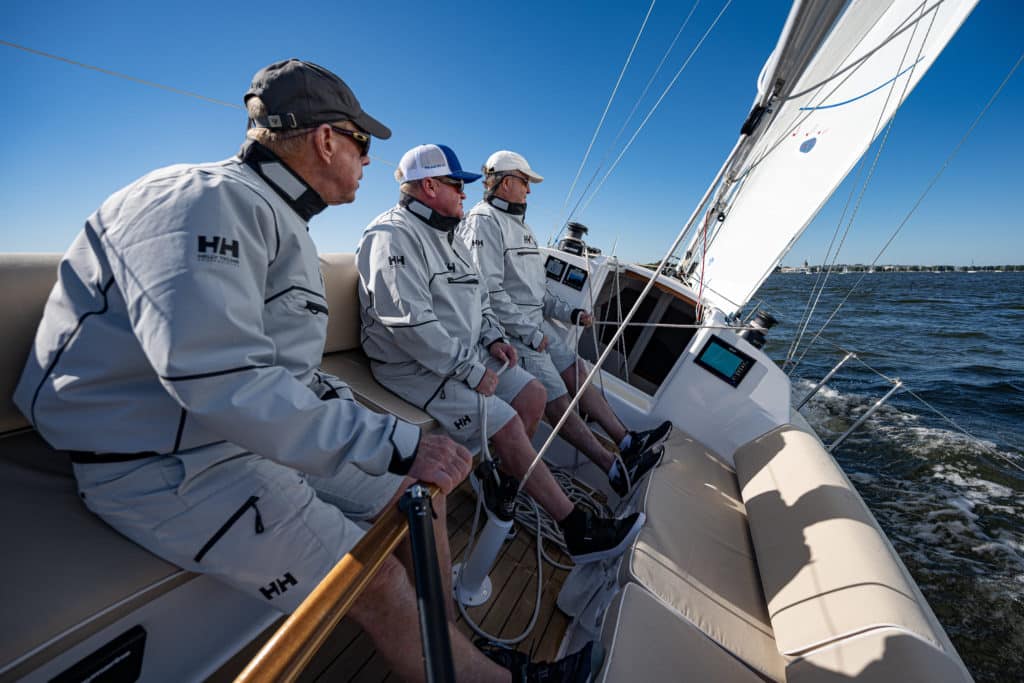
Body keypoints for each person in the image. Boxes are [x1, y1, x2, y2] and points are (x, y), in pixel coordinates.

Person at [13, 60, 593, 682]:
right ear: (325, 139)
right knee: (382, 584)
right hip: (171, 463)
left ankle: (448, 644)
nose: (369, 162)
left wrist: (398, 443)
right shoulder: (204, 202)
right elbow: (222, 383)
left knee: (411, 500)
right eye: (361, 143)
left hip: (239, 436)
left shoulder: (277, 220)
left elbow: (285, 370)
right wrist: (396, 440)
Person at [357, 143, 645, 567]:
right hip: (413, 366)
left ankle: (503, 484)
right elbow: (410, 327)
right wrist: (472, 372)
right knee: (509, 422)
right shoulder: (391, 236)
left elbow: (480, 298)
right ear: (430, 185)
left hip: (465, 353)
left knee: (531, 396)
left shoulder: (449, 236)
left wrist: (493, 338)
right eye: (457, 185)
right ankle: (576, 528)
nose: (464, 194)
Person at [459, 151, 671, 497]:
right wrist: (528, 333)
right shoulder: (484, 222)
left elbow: (536, 290)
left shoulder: (522, 228)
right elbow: (487, 290)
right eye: (526, 182)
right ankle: (613, 467)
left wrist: (569, 314)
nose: (530, 190)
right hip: (512, 331)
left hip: (535, 324)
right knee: (556, 398)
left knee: (578, 369)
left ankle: (628, 441)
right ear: (507, 182)